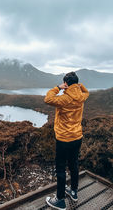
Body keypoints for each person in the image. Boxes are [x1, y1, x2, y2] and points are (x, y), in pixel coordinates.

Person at [44, 72, 89, 210]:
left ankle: (60, 200)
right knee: (74, 164)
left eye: (64, 83)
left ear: (66, 84)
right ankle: (74, 191)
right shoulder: (82, 96)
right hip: (77, 137)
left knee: (61, 168)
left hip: (64, 138)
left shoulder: (64, 99)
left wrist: (58, 87)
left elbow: (48, 98)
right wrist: (78, 86)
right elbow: (86, 91)